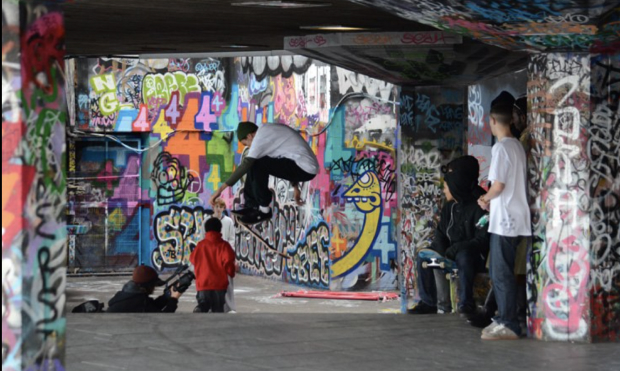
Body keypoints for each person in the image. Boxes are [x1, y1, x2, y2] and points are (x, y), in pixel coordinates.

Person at [409, 156, 489, 318]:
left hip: (471, 260)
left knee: (464, 256)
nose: (444, 190)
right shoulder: (449, 207)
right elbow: (440, 234)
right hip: (449, 257)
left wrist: (457, 249)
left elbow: (482, 240)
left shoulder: (480, 206)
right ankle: (428, 302)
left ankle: (465, 304)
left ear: (456, 185)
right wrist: (441, 252)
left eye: (446, 187)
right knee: (424, 256)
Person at [478, 103, 531, 340]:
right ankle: (504, 319)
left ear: (492, 121)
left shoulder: (501, 149)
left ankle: (508, 323)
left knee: (500, 273)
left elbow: (498, 186)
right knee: (504, 272)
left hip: (505, 221)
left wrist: (484, 198)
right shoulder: (517, 145)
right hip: (517, 217)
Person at [209, 121, 319, 224]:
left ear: (249, 136)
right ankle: (251, 206)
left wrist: (220, 189)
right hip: (304, 167)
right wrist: (295, 187)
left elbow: (245, 165)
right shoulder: (267, 132)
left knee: (256, 162)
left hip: (305, 168)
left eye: (246, 144)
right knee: (257, 161)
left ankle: (263, 211)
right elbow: (290, 155)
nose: (249, 147)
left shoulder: (260, 138)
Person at [190, 218, 236, 313]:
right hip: (219, 287)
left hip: (203, 285)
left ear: (206, 230)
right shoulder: (224, 246)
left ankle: (201, 309)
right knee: (217, 312)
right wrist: (231, 273)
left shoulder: (200, 246)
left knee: (204, 308)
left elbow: (192, 259)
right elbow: (229, 264)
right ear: (220, 229)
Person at [107, 265, 181, 313]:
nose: (154, 288)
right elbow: (163, 318)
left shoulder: (128, 295)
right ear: (147, 286)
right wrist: (174, 299)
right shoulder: (139, 302)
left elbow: (153, 306)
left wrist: (166, 296)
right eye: (153, 285)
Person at [211, 197, 237, 313]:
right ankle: (212, 307)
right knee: (211, 282)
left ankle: (229, 307)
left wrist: (230, 254)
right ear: (213, 207)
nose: (218, 209)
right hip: (211, 256)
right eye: (216, 206)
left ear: (223, 208)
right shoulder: (208, 221)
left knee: (228, 282)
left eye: (221, 207)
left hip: (225, 256)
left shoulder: (228, 221)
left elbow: (232, 238)